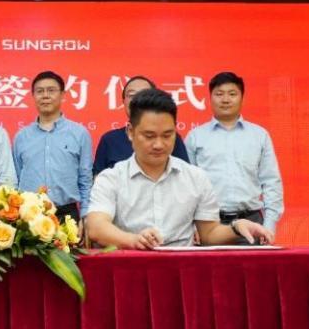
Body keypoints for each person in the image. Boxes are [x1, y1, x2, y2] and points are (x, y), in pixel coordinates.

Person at [85, 88, 274, 249]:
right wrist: (134, 240)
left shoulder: (195, 177)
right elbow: (96, 227)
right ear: (130, 132)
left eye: (167, 135)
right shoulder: (111, 178)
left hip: (182, 271)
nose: (159, 144)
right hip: (129, 268)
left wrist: (236, 227)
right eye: (149, 136)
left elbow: (209, 233)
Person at [184, 71, 284, 237]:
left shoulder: (259, 135)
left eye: (232, 94)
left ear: (242, 98)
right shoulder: (195, 137)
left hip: (252, 222)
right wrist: (194, 227)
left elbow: (271, 182)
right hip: (209, 223)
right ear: (210, 98)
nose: (225, 99)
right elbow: (187, 186)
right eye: (219, 94)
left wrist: (269, 225)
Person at [12, 70, 93, 222]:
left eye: (51, 90)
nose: (45, 96)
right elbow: (15, 179)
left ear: (62, 95)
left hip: (67, 214)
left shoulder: (79, 133)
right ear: (33, 96)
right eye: (40, 91)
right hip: (30, 214)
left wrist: (85, 215)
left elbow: (85, 180)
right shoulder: (21, 137)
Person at [93, 75, 188, 174]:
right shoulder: (109, 140)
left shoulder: (171, 138)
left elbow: (184, 173)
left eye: (144, 94)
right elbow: (98, 176)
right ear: (123, 101)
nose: (137, 99)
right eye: (131, 95)